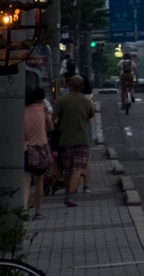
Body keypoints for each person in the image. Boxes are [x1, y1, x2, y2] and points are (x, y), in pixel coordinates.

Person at [54, 75, 96, 207]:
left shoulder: (61, 100)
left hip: (65, 140)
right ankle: (70, 195)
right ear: (82, 87)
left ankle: (68, 193)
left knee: (68, 170)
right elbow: (90, 116)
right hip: (82, 139)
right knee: (78, 168)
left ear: (69, 85)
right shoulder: (87, 101)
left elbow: (53, 118)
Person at [23, 87, 54, 217]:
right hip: (40, 148)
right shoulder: (42, 109)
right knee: (38, 181)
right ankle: (37, 211)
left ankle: (23, 209)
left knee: (25, 181)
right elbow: (51, 127)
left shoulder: (22, 111)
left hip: (25, 148)